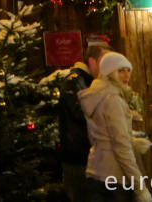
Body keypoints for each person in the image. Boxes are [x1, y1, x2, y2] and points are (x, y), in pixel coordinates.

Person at [78, 52, 152, 202]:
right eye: (120, 71)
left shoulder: (97, 95)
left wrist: (133, 143)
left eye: (128, 70)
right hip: (114, 177)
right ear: (109, 73)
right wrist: (140, 187)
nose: (126, 76)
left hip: (96, 169)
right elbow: (120, 146)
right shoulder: (113, 100)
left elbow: (103, 136)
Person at [57, 42, 112, 202]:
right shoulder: (74, 81)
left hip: (90, 157)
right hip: (78, 159)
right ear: (92, 62)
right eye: (104, 62)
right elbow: (81, 113)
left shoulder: (90, 81)